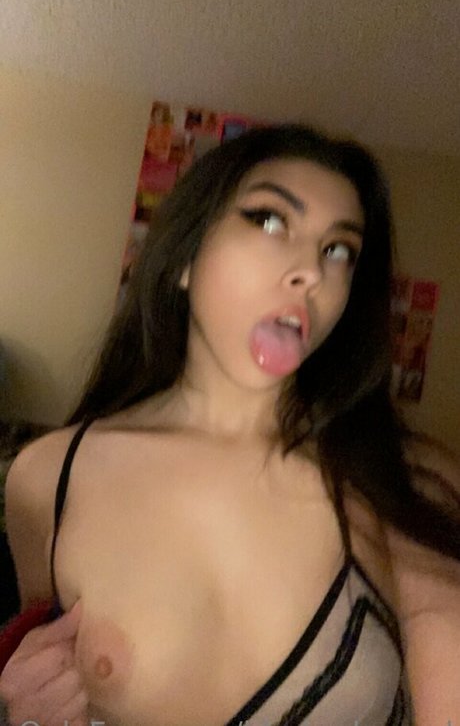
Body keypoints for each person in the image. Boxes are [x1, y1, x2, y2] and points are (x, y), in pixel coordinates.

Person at [0, 124, 459, 726]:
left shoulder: (409, 479)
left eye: (338, 250)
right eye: (269, 221)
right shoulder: (47, 479)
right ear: (186, 258)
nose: (311, 271)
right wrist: (24, 713)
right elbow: (45, 679)